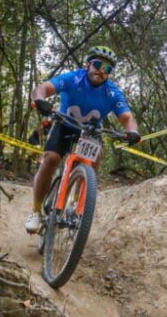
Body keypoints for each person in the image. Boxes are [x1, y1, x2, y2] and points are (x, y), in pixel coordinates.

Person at [25, 45, 141, 233]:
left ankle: (76, 204)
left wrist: (133, 132)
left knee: (95, 157)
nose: (102, 71)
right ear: (87, 64)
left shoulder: (112, 93)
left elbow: (128, 118)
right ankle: (36, 211)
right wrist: (40, 100)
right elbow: (42, 88)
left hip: (90, 132)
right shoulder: (72, 78)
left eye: (108, 69)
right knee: (51, 159)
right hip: (64, 124)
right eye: (98, 64)